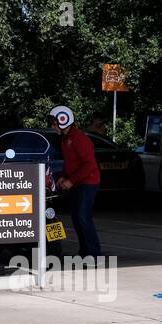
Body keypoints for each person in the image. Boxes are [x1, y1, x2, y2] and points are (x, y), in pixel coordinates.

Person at [49, 105, 101, 258]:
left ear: (63, 121)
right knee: (77, 218)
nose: (52, 127)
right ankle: (85, 252)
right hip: (78, 183)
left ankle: (94, 254)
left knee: (83, 217)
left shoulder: (79, 138)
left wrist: (71, 181)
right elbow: (70, 162)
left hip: (88, 183)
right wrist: (64, 177)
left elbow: (90, 165)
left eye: (54, 123)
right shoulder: (66, 139)